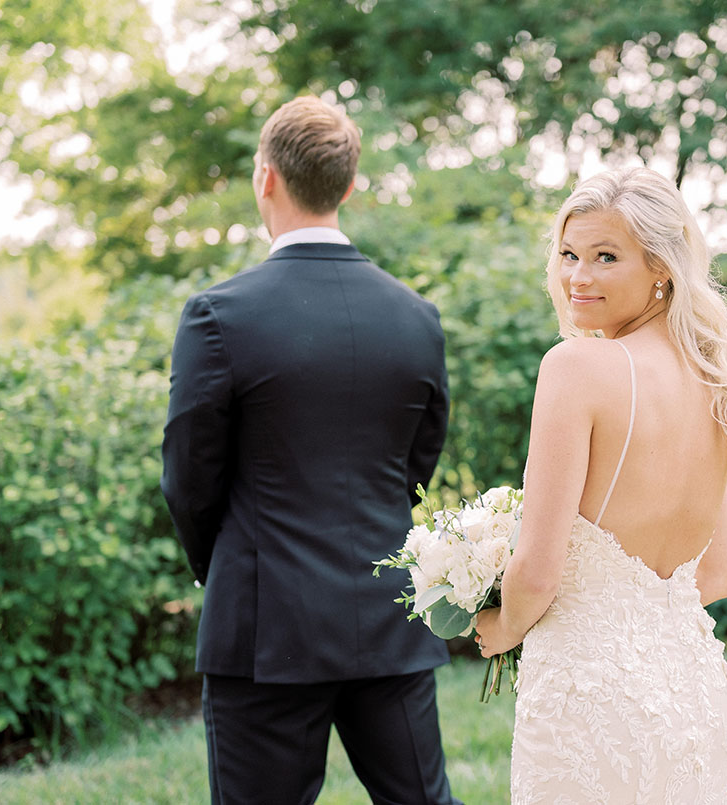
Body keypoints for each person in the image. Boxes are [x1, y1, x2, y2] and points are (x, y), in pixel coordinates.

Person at [160, 95, 460, 805]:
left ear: (266, 178)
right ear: (350, 186)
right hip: (389, 614)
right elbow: (418, 460)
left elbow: (188, 476)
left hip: (265, 624)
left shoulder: (217, 315)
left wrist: (224, 565)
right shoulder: (417, 317)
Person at [475, 167, 727, 803]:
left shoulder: (577, 367)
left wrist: (502, 628)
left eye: (605, 257)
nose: (578, 277)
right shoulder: (716, 381)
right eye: (568, 255)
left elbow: (537, 570)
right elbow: (718, 575)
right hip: (691, 694)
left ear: (661, 266)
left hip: (589, 697)